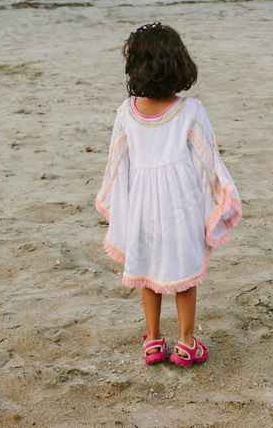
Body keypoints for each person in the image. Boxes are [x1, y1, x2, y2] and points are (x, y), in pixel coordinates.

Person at [95, 21, 241, 366]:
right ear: (179, 64)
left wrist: (118, 205)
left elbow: (116, 166)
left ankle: (153, 340)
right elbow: (207, 160)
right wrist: (222, 193)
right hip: (180, 206)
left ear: (135, 66)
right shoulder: (191, 110)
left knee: (148, 271)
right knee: (183, 274)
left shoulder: (126, 113)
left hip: (143, 207)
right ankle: (187, 343)